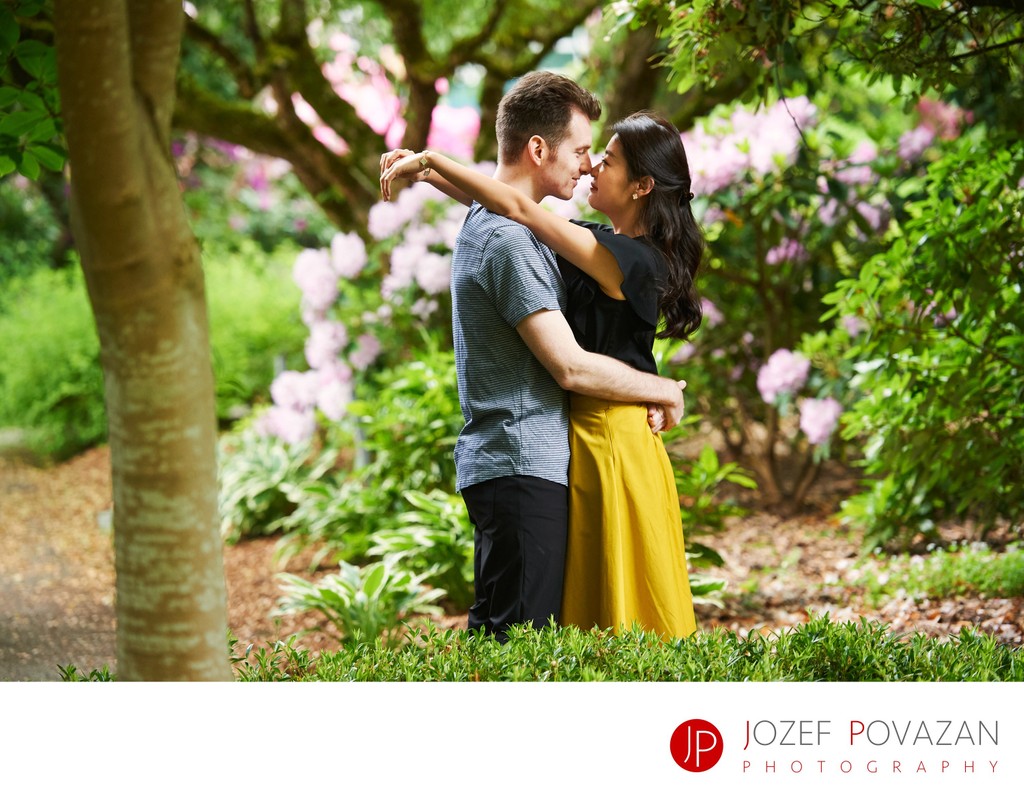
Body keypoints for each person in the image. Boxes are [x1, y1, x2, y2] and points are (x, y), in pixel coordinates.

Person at [380, 72, 689, 642]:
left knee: (587, 628)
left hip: (590, 446)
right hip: (538, 453)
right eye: (584, 151)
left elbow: (519, 210)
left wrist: (431, 166)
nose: (591, 165)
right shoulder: (516, 236)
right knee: (521, 640)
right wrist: (662, 387)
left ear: (643, 186)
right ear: (539, 149)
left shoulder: (625, 257)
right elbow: (515, 215)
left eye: (605, 159)